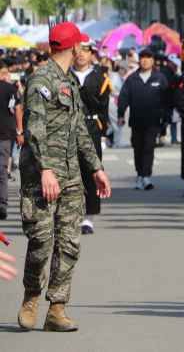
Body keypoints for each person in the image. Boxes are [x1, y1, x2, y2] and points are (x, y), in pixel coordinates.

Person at [17, 22, 112, 332]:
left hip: (71, 175)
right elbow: (34, 129)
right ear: (73, 47)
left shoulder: (70, 81)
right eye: (80, 46)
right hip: (42, 176)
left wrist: (96, 168)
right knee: (41, 241)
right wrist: (45, 169)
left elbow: (81, 130)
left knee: (69, 243)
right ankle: (31, 297)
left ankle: (57, 308)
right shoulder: (40, 80)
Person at [70, 40, 111, 235]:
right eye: (78, 50)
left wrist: (103, 133)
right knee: (71, 172)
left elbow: (103, 107)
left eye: (85, 51)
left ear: (91, 53)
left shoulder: (99, 77)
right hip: (68, 128)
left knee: (92, 172)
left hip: (91, 126)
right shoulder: (64, 75)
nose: (81, 55)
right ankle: (71, 214)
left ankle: (89, 217)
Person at [118, 48, 171, 190]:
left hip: (153, 121)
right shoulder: (132, 79)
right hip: (136, 120)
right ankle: (140, 174)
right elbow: (124, 97)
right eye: (142, 58)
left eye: (148, 58)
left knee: (148, 147)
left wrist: (166, 119)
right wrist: (121, 115)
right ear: (139, 60)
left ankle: (146, 176)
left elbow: (167, 100)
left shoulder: (160, 78)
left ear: (152, 61)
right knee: (138, 148)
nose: (145, 60)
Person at [0, 61, 24, 221]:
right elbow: (17, 110)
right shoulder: (11, 89)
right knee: (2, 170)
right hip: (5, 134)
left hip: (5, 133)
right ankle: (2, 204)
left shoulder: (11, 88)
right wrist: (20, 130)